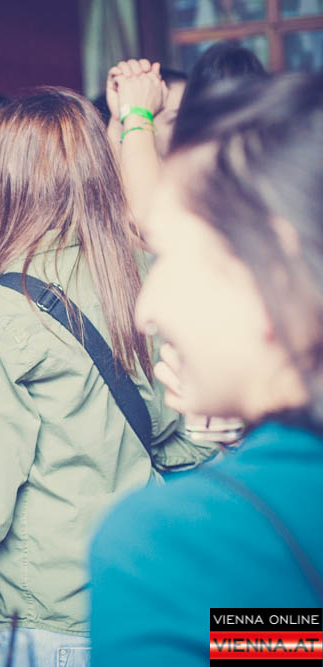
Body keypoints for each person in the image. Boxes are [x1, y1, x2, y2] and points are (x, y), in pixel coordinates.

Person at [0, 88, 218, 666]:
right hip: (146, 578)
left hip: (50, 607)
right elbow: (183, 435)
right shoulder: (140, 269)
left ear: (3, 179)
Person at [90, 72, 323, 667]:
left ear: (271, 272)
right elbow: (293, 642)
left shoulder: (169, 545)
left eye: (171, 257)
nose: (146, 311)